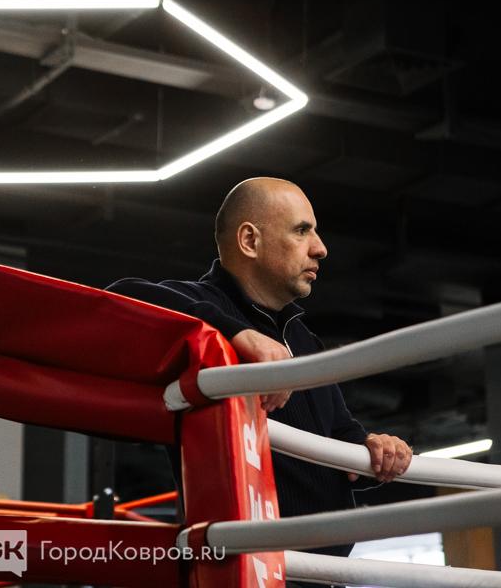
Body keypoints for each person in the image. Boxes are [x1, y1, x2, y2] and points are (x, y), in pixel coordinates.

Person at [108, 177, 412, 587]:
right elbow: (122, 297)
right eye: (302, 230)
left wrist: (376, 450)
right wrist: (237, 333)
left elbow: (340, 432)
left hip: (318, 576)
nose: (320, 248)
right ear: (250, 241)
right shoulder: (203, 308)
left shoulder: (303, 340)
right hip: (247, 569)